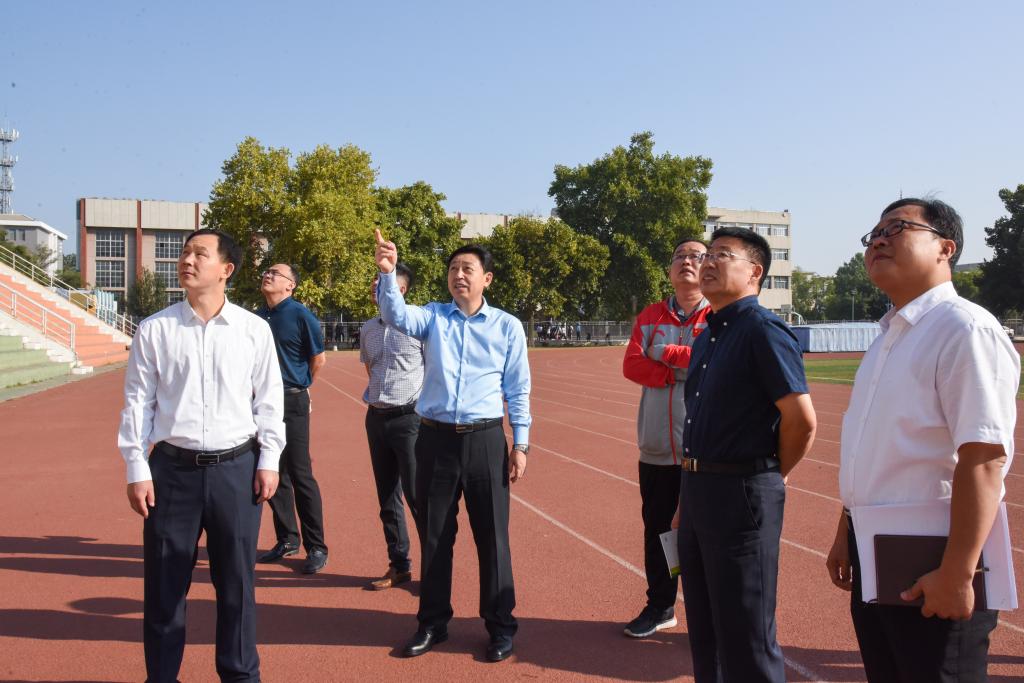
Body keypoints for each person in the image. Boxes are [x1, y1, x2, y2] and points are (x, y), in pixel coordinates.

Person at [825, 198, 1020, 682]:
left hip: (935, 558)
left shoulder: (965, 328)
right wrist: (845, 531)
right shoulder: (887, 339)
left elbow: (983, 457)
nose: (879, 240)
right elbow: (873, 449)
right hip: (876, 550)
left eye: (896, 228)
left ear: (945, 248)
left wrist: (957, 571)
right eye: (873, 234)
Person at [118, 228, 286, 682]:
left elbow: (269, 401)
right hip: (171, 473)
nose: (187, 260)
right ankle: (162, 676)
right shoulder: (156, 329)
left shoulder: (253, 330)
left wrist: (269, 460)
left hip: (237, 470)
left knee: (237, 587)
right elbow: (138, 402)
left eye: (199, 254)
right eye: (185, 253)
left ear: (226, 269)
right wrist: (136, 466)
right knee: (165, 587)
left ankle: (240, 675)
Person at [374, 229, 531, 663]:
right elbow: (395, 314)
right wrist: (387, 273)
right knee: (435, 536)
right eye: (453, 268)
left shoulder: (506, 326)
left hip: (484, 440)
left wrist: (521, 444)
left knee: (492, 538)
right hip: (435, 440)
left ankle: (500, 627)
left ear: (487, 279)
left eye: (467, 269)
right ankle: (432, 623)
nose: (458, 275)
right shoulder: (433, 317)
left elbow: (518, 389)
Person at [677, 227, 817, 682]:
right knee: (705, 631)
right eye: (707, 255)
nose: (707, 263)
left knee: (746, 635)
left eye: (722, 255)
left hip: (741, 492)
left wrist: (772, 473)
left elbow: (802, 420)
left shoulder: (762, 330)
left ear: (755, 272)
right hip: (698, 490)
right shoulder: (708, 336)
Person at [621, 238, 711, 638]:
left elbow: (712, 362)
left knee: (705, 533)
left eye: (695, 256)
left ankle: (709, 611)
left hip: (704, 449)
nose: (686, 261)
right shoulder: (651, 315)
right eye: (679, 256)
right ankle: (660, 606)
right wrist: (677, 372)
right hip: (657, 448)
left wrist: (666, 353)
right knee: (658, 530)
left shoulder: (718, 314)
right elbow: (632, 365)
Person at [256, 263, 329, 574]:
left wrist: (302, 386)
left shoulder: (300, 315)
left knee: (300, 473)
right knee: (273, 469)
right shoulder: (257, 317)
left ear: (290, 285)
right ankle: (287, 538)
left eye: (275, 273)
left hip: (292, 399)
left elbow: (318, 359)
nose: (268, 275)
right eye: (266, 271)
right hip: (261, 402)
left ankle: (317, 546)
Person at [360, 264, 425, 590]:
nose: (376, 286)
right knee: (387, 497)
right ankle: (399, 565)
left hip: (410, 421)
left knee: (418, 496)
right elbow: (371, 369)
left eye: (383, 282)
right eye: (375, 281)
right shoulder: (368, 329)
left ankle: (434, 571)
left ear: (401, 290)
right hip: (376, 418)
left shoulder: (418, 326)